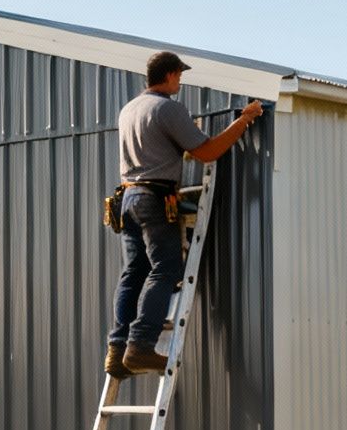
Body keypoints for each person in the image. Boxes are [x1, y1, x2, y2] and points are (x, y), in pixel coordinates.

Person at [107, 51, 263, 377]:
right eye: (179, 75)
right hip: (155, 197)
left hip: (129, 197)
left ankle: (117, 349)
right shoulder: (168, 108)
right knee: (166, 268)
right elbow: (208, 152)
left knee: (133, 272)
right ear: (170, 75)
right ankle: (141, 345)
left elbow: (162, 147)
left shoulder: (129, 110)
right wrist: (244, 120)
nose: (181, 81)